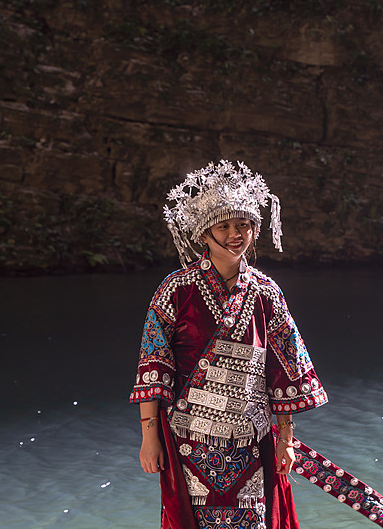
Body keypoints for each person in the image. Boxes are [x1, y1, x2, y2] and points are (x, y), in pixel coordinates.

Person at [130, 160, 328, 529]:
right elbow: (152, 367)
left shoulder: (267, 292)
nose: (237, 234)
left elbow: (281, 373)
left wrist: (285, 438)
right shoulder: (175, 290)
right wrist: (149, 438)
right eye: (224, 226)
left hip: (251, 440)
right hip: (189, 438)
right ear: (204, 234)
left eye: (244, 225)